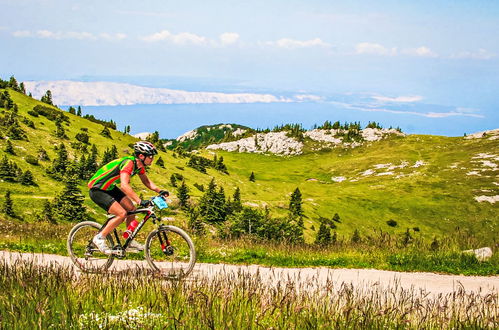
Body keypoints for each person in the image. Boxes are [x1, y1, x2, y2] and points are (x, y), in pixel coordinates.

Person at [88, 141, 169, 255]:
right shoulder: (129, 163)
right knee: (122, 214)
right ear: (141, 156)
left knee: (131, 209)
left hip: (109, 188)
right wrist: (140, 201)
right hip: (97, 189)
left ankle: (129, 240)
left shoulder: (139, 166)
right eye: (150, 156)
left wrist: (159, 190)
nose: (152, 159)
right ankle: (100, 237)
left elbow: (146, 181)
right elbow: (124, 185)